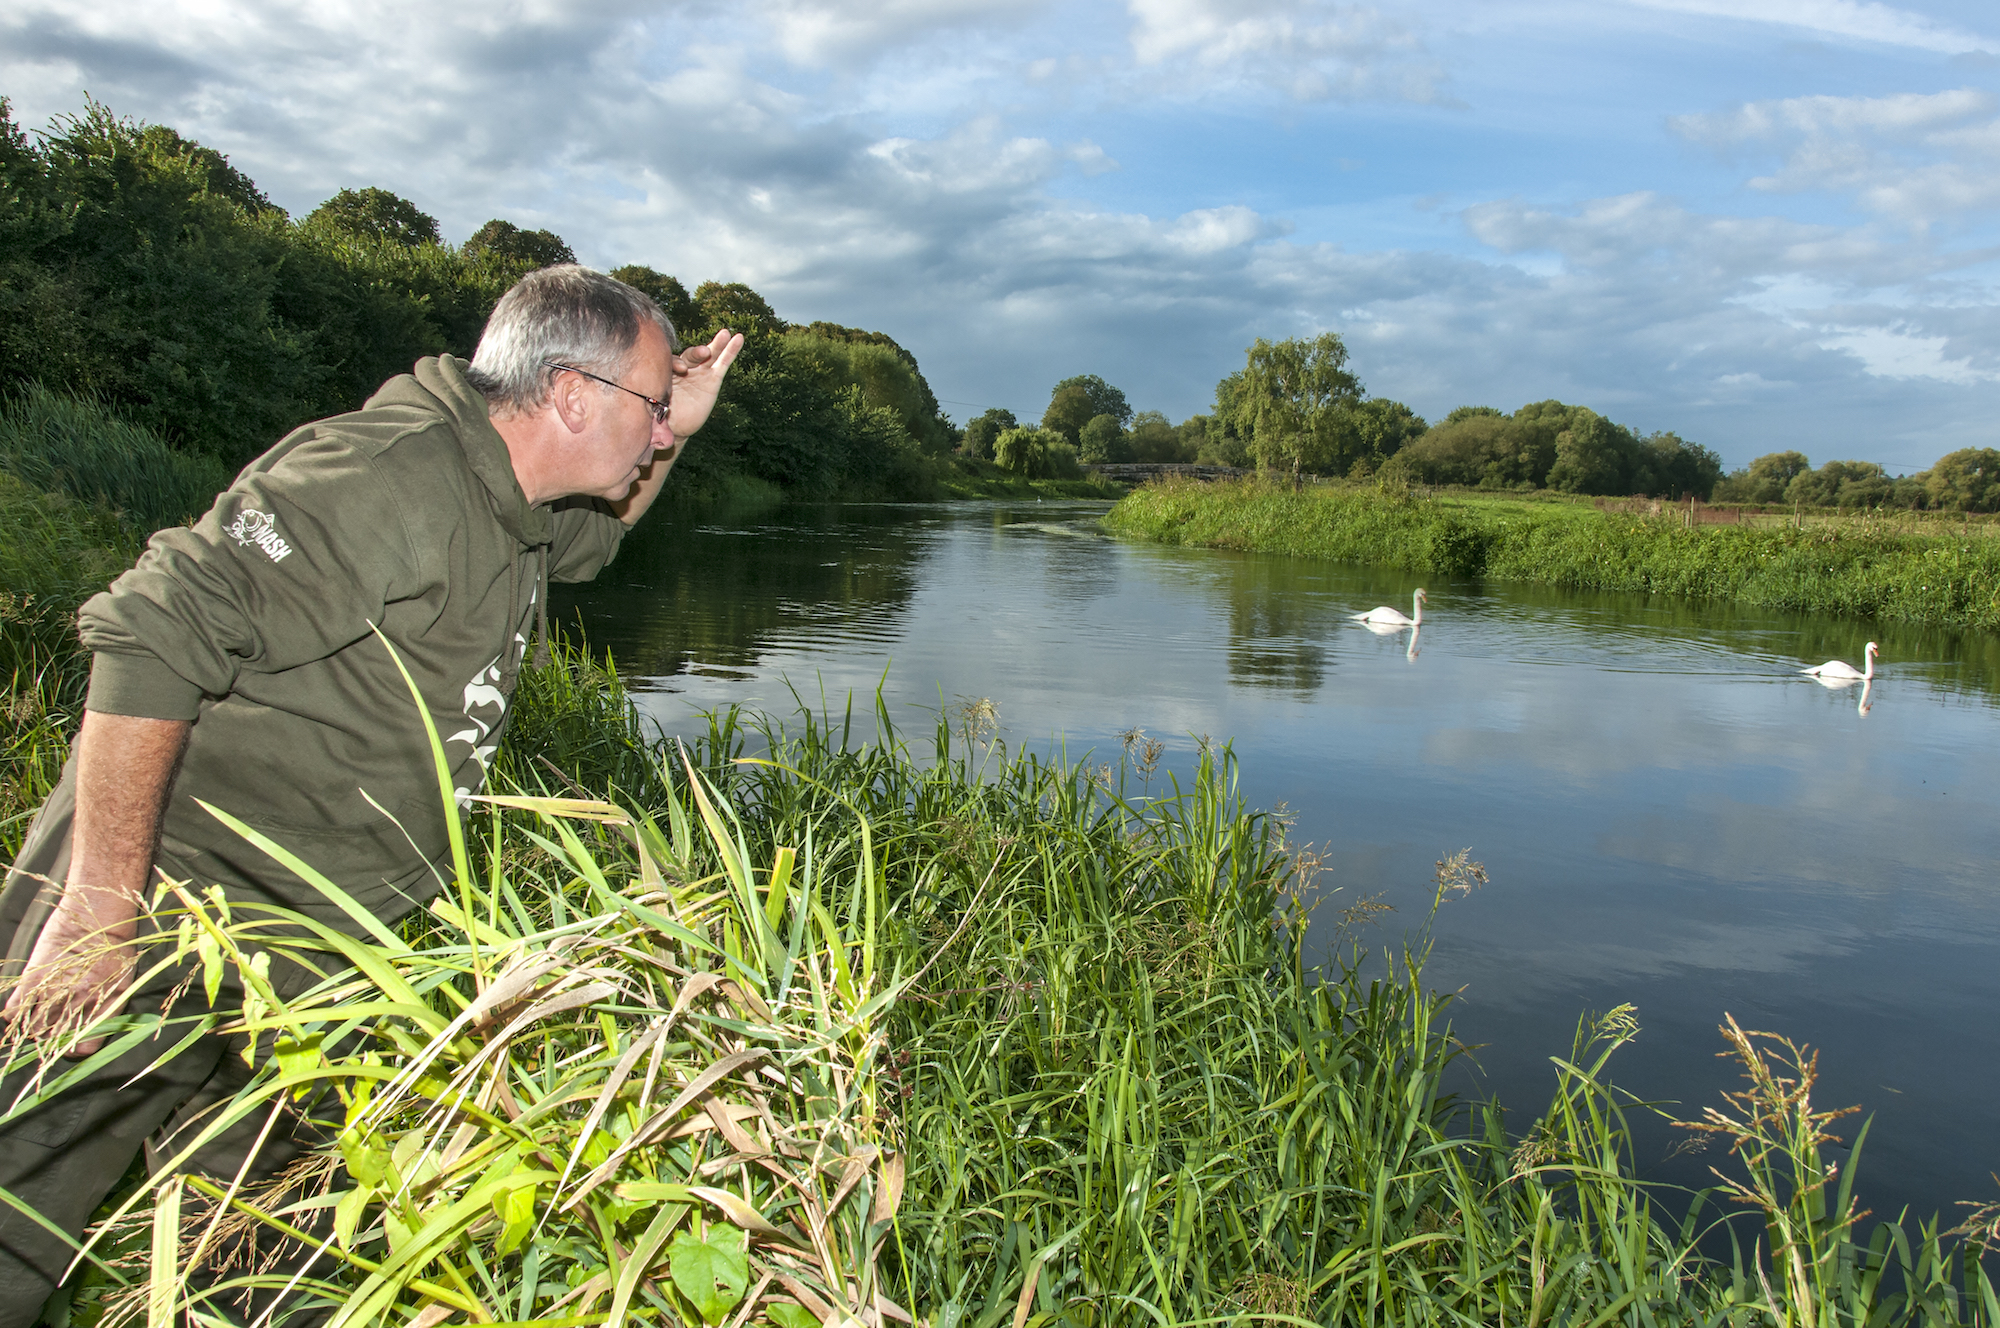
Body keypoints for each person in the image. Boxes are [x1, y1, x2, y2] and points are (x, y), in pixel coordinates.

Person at [0, 263, 743, 1323]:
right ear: (572, 394)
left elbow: (604, 536)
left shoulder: (519, 499)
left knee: (269, 1272)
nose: (660, 429)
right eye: (651, 403)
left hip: (314, 960)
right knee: (16, 1211)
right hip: (169, 909)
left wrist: (675, 434)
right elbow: (151, 631)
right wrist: (100, 905)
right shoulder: (388, 473)